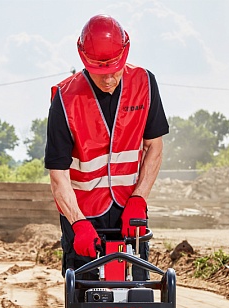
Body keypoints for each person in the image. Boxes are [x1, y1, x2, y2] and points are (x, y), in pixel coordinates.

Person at [44, 14, 169, 280]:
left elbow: (154, 147)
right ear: (83, 59)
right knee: (85, 294)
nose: (109, 79)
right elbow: (58, 174)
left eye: (115, 69)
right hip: (83, 215)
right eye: (100, 72)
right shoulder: (65, 99)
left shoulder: (145, 84)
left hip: (129, 208)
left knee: (137, 292)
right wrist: (78, 223)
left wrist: (139, 198)